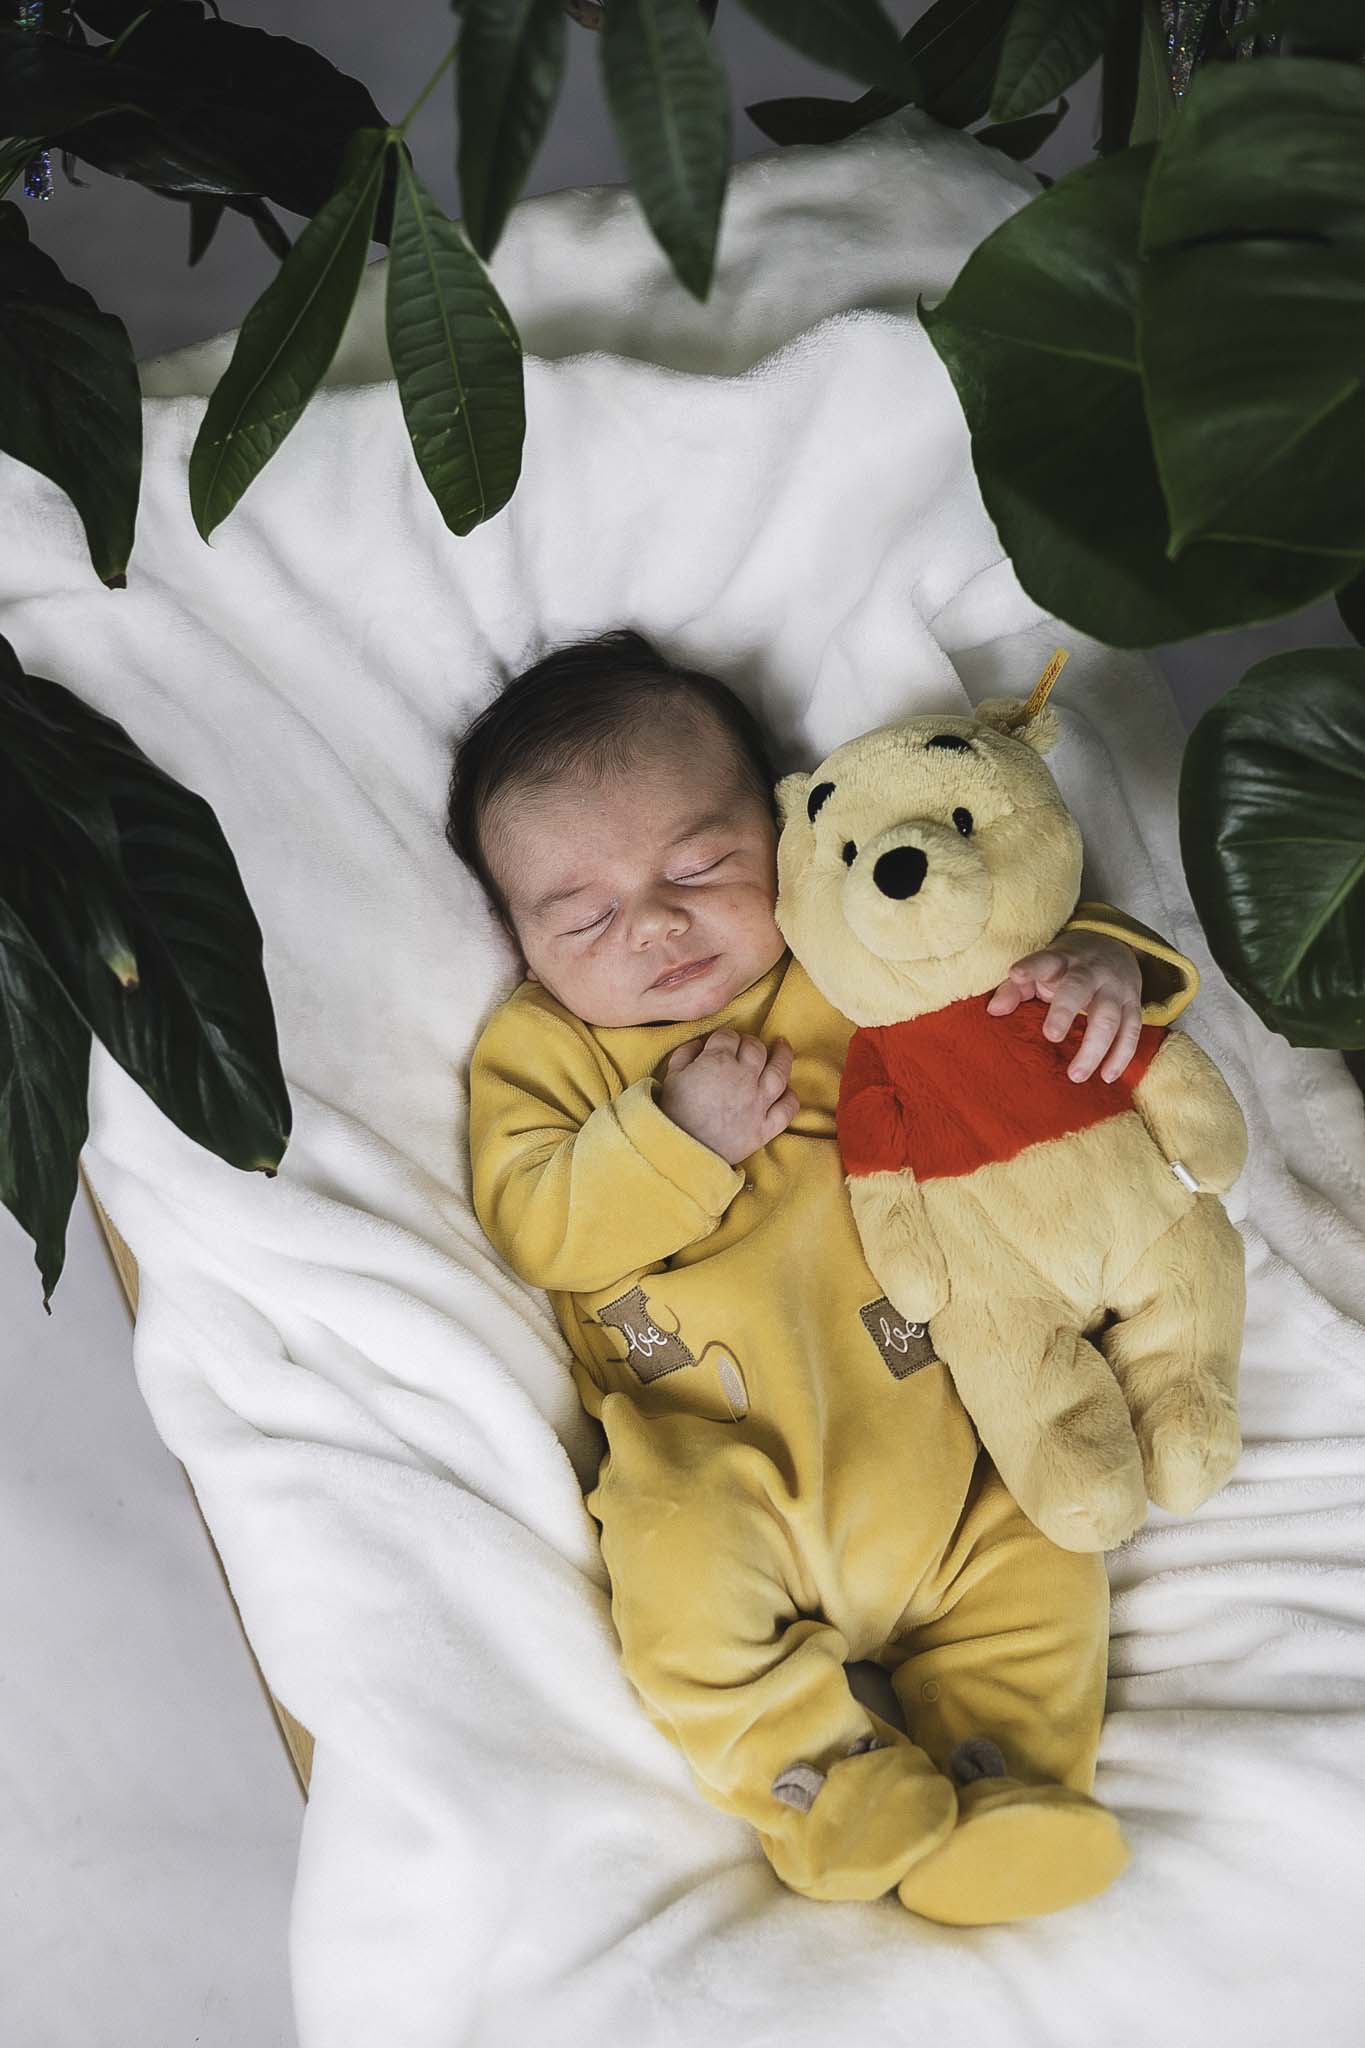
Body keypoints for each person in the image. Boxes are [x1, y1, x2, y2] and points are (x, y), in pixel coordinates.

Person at [454, 627, 1197, 1923]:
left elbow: (992, 946)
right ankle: (824, 1780)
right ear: (521, 941)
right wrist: (669, 1137)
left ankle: (1008, 1789)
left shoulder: (848, 958)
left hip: (955, 1448)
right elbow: (535, 1222)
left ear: (785, 834)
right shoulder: (548, 1053)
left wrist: (1102, 968)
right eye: (584, 914)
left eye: (700, 865)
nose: (656, 922)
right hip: (726, 1466)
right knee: (673, 1565)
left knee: (1044, 1564)